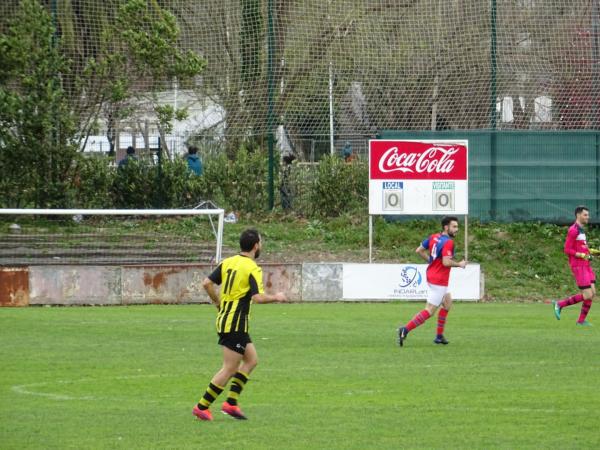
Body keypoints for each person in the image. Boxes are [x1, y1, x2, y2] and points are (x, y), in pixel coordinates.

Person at [193, 229, 287, 421]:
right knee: (229, 368)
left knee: (251, 360)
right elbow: (258, 298)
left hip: (232, 322)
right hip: (234, 324)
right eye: (261, 242)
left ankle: (231, 403)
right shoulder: (252, 267)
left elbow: (206, 283)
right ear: (256, 246)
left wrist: (218, 303)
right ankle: (202, 406)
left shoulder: (228, 262)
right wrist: (276, 297)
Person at [397, 216, 467, 347]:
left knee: (447, 303)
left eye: (457, 226)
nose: (457, 229)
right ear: (446, 227)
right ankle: (404, 330)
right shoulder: (448, 242)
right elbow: (446, 262)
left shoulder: (434, 237)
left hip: (432, 275)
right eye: (454, 227)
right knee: (429, 311)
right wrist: (460, 264)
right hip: (439, 280)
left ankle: (439, 336)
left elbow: (419, 250)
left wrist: (432, 261)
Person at [553, 206, 595, 325]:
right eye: (585, 215)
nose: (588, 217)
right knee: (587, 294)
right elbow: (567, 249)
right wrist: (582, 255)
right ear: (578, 215)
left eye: (588, 215)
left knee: (592, 293)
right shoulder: (573, 230)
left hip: (586, 265)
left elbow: (582, 247)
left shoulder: (581, 230)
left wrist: (592, 251)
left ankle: (581, 321)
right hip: (579, 266)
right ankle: (560, 304)